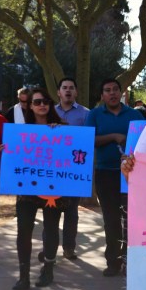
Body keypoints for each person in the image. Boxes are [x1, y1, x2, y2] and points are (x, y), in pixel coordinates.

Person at [3, 88, 67, 290]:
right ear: (30, 106)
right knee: (23, 232)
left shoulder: (63, 129)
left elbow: (73, 154)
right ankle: (24, 276)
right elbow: (13, 159)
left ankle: (48, 268)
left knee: (50, 229)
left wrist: (61, 133)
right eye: (37, 102)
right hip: (27, 192)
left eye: (46, 101)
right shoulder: (20, 133)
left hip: (52, 192)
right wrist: (6, 150)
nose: (42, 105)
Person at [85, 78, 144, 277]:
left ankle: (131, 261)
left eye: (115, 90)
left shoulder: (135, 114)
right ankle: (113, 261)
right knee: (111, 219)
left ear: (121, 92)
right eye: (107, 90)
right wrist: (113, 136)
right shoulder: (94, 115)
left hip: (132, 174)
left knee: (131, 219)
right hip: (105, 173)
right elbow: (87, 140)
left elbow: (145, 139)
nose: (112, 93)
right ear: (102, 95)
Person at [44, 77, 89, 261]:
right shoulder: (49, 112)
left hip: (74, 173)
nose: (68, 91)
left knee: (71, 214)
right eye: (64, 88)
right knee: (50, 214)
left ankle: (69, 248)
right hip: (52, 174)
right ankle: (49, 252)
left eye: (71, 88)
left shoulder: (86, 114)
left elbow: (88, 141)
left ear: (76, 92)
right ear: (58, 92)